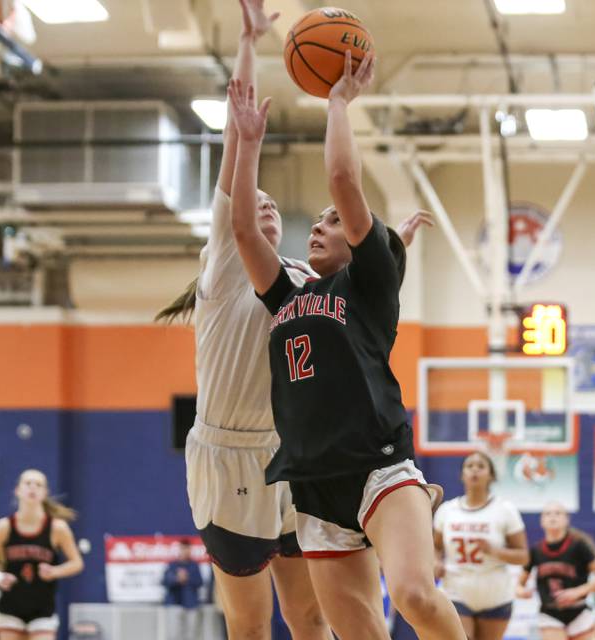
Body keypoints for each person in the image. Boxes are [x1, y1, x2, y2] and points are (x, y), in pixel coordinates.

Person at [156, 3, 431, 638]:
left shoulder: (304, 284)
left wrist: (396, 247)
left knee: (307, 614)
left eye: (280, 203)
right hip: (225, 453)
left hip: (296, 455)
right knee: (248, 624)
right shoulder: (231, 262)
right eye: (260, 200)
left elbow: (361, 288)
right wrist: (249, 44)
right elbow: (237, 140)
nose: (269, 204)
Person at [226, 47, 464, 640]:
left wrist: (336, 101)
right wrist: (248, 142)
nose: (318, 225)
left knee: (413, 594)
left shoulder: (369, 283)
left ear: (366, 241)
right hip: (313, 481)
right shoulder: (284, 295)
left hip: (379, 466)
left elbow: (341, 177)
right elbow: (241, 229)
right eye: (319, 221)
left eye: (334, 221)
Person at [0, 468, 84, 640]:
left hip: (42, 606)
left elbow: (77, 563)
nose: (32, 488)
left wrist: (55, 572)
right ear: (18, 490)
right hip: (11, 604)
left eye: (38, 484)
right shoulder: (4, 526)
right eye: (28, 483)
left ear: (45, 493)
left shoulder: (57, 528)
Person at [433, 451, 529, 640]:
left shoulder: (505, 510)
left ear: (491, 475)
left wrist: (494, 551)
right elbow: (435, 547)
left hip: (495, 594)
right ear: (462, 475)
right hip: (456, 590)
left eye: (481, 466)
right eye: (469, 466)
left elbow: (523, 556)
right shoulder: (447, 510)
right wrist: (435, 562)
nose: (474, 470)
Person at [516, 501, 595, 640]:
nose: (552, 517)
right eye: (548, 514)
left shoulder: (579, 545)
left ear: (566, 519)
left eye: (558, 513)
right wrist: (522, 592)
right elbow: (519, 585)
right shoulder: (535, 551)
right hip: (550, 612)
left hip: (578, 611)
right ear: (542, 521)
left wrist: (577, 592)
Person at [162, 539, 203, 640]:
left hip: (191, 604)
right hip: (174, 604)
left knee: (192, 635)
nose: (185, 551)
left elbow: (199, 582)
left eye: (187, 548)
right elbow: (164, 581)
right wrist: (177, 579)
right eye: (183, 548)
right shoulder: (172, 565)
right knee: (173, 635)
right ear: (179, 549)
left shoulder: (194, 565)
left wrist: (187, 577)